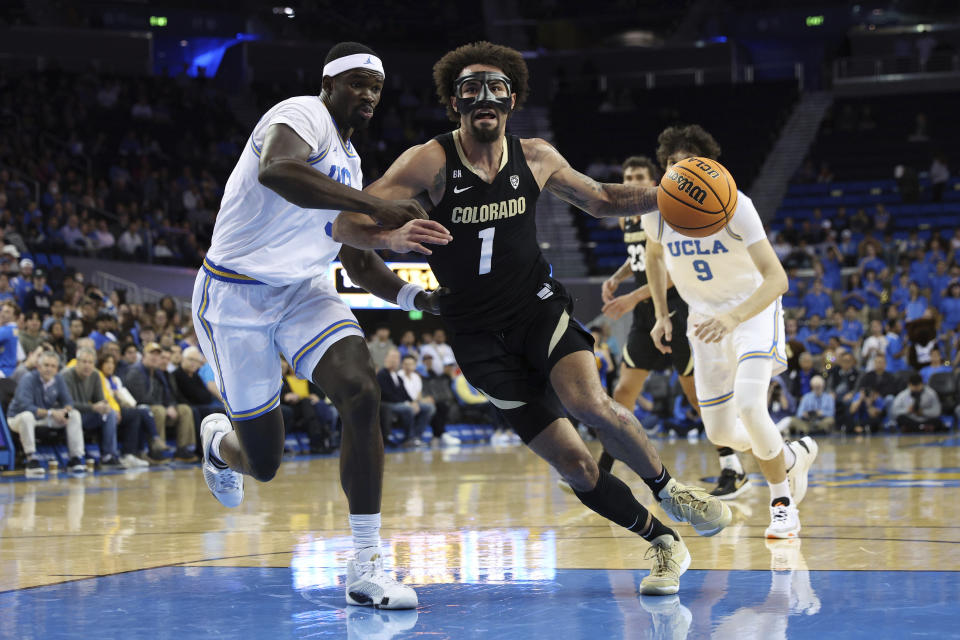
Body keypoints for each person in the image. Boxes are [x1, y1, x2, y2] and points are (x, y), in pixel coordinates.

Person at [333, 41, 733, 596]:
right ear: (455, 103)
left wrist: (665, 197)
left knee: (587, 402)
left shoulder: (537, 155)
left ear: (513, 98)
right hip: (474, 331)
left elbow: (600, 199)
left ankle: (669, 490)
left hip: (536, 307)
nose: (484, 97)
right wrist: (394, 242)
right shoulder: (429, 159)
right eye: (470, 89)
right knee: (575, 465)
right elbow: (344, 223)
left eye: (496, 87)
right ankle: (663, 540)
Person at [190, 42, 451, 609]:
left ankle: (365, 564)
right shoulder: (301, 114)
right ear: (328, 85)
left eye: (376, 88)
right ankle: (218, 442)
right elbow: (279, 170)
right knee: (264, 463)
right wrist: (376, 207)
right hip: (235, 297)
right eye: (357, 83)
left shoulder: (352, 165)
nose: (367, 95)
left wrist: (416, 298)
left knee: (362, 391)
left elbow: (357, 261)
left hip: (304, 292)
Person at [642, 124, 818, 539]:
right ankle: (790, 456)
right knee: (719, 431)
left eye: (689, 163)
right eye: (671, 163)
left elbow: (778, 279)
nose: (679, 170)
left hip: (752, 313)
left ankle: (782, 505)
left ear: (709, 169)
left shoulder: (736, 205)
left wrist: (735, 317)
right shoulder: (656, 213)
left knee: (752, 407)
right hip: (704, 324)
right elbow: (653, 258)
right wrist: (662, 314)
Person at [596, 155, 750, 499]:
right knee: (622, 394)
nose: (632, 181)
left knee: (698, 398)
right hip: (644, 319)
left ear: (653, 183)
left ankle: (732, 467)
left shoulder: (667, 215)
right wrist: (618, 276)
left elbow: (670, 276)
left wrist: (630, 298)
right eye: (627, 176)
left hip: (678, 312)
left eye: (639, 176)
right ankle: (602, 472)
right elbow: (638, 257)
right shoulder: (627, 219)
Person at [7, 350, 86, 476]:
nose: (49, 369)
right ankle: (31, 459)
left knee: (74, 415)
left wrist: (65, 411)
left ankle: (75, 458)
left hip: (45, 417)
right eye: (46, 365)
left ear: (57, 369)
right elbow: (26, 406)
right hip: (18, 418)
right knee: (27, 416)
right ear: (39, 366)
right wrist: (51, 413)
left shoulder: (58, 379)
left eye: (53, 366)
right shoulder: (28, 379)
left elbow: (68, 402)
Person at [123, 342, 197, 462]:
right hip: (143, 410)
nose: (155, 357)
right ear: (143, 355)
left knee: (184, 409)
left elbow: (168, 395)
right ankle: (156, 450)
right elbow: (141, 398)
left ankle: (183, 449)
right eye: (151, 354)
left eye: (157, 354)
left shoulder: (158, 373)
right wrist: (166, 407)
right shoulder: (135, 372)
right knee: (159, 410)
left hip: (160, 408)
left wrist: (171, 405)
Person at [61, 346, 124, 469]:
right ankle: (76, 457)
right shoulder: (66, 375)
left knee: (110, 413)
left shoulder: (95, 375)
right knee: (74, 414)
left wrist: (105, 407)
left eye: (90, 362)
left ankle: (108, 456)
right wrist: (93, 407)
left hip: (86, 414)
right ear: (77, 362)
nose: (87, 365)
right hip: (66, 414)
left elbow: (100, 400)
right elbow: (67, 404)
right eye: (84, 361)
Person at [376, 349, 431, 446]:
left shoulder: (397, 376)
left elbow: (405, 394)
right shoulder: (381, 374)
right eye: (392, 357)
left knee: (428, 408)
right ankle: (409, 438)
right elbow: (387, 395)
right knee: (408, 408)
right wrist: (407, 403)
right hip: (387, 404)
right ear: (386, 359)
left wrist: (413, 402)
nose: (394, 360)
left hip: (400, 403)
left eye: (396, 358)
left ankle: (416, 436)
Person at [0, 300, 21, 377]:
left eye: (7, 312)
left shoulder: (7, 330)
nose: (2, 314)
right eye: (2, 310)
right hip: (9, 372)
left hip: (3, 371)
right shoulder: (14, 330)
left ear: (15, 316)